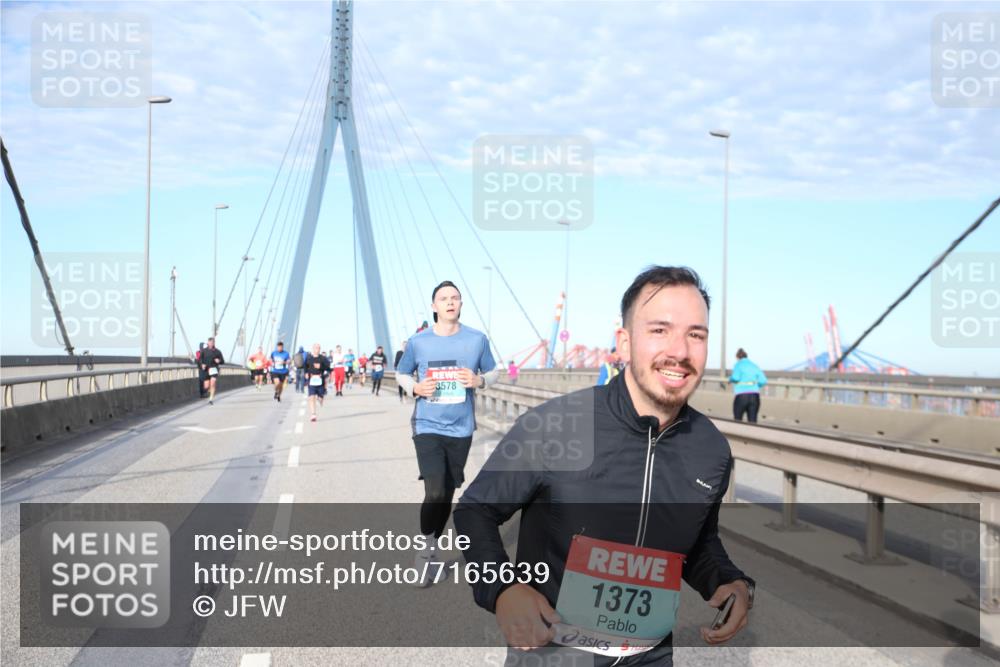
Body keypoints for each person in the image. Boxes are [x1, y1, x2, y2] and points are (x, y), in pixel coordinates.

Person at [453, 266, 754, 665]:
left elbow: (698, 542)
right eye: (660, 330)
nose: (680, 351)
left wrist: (728, 580)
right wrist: (503, 589)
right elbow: (475, 511)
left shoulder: (711, 450)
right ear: (625, 343)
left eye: (695, 334)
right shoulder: (555, 426)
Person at [395, 281, 498, 586]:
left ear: (461, 304)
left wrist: (479, 380)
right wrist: (414, 387)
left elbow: (494, 372)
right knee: (435, 491)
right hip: (427, 425)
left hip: (462, 428)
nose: (450, 302)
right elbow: (402, 372)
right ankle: (424, 554)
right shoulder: (418, 342)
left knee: (447, 494)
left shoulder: (477, 340)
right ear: (434, 306)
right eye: (444, 298)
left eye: (455, 298)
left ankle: (432, 549)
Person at [730, 348, 767, 423]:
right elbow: (763, 380)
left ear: (737, 357)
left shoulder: (738, 364)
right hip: (754, 396)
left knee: (737, 421)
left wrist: (730, 379)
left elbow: (736, 378)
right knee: (752, 422)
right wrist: (755, 386)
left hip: (741, 396)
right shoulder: (754, 365)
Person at [304, 343, 330, 422]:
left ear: (320, 349)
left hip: (320, 380)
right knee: (311, 397)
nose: (317, 349)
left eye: (318, 348)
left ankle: (320, 399)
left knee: (320, 399)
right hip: (312, 379)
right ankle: (313, 414)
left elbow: (328, 367)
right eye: (315, 348)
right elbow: (305, 366)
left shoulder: (323, 358)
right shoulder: (309, 358)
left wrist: (321, 367)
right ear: (313, 349)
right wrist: (306, 373)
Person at [199, 337, 225, 405]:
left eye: (212, 342)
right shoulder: (204, 351)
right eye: (210, 342)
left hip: (214, 369)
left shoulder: (217, 351)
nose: (211, 344)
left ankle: (211, 399)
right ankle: (209, 390)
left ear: (214, 343)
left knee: (213, 383)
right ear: (208, 343)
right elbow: (199, 360)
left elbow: (222, 361)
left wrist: (219, 361)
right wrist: (202, 365)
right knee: (206, 387)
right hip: (206, 370)